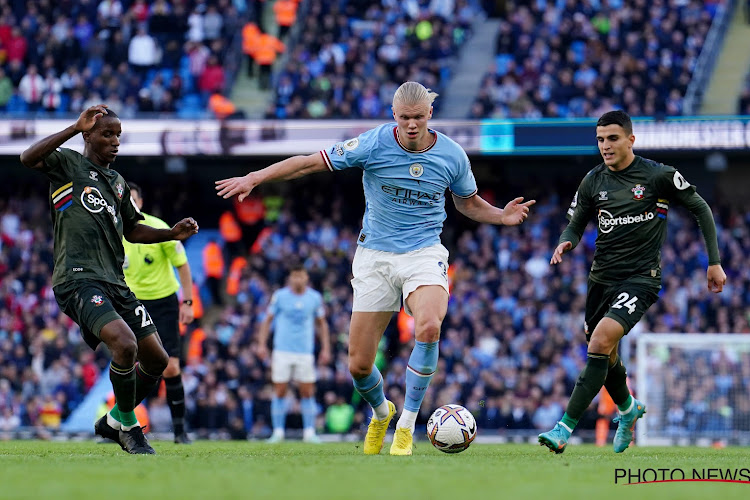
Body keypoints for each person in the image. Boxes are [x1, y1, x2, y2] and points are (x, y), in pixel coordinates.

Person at [216, 81, 535, 456]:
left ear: (429, 115)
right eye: (404, 118)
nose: (411, 125)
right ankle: (382, 412)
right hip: (375, 257)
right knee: (359, 365)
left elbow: (467, 203)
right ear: (393, 116)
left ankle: (407, 424)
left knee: (429, 326)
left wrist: (500, 216)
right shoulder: (373, 143)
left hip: (424, 253)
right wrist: (255, 177)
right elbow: (308, 163)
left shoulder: (452, 155)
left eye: (418, 117)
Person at [538, 110, 726, 454]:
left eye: (612, 138)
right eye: (599, 139)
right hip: (600, 281)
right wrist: (566, 240)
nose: (605, 146)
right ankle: (628, 410)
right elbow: (576, 221)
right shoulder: (593, 181)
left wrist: (714, 262)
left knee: (600, 342)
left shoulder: (658, 176)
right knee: (605, 353)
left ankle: (563, 428)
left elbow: (701, 208)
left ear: (630, 140)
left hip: (641, 279)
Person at [19, 104, 199, 454]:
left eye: (118, 135)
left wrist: (170, 234)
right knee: (125, 344)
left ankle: (115, 418)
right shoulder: (69, 164)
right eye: (107, 134)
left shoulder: (117, 183)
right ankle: (129, 428)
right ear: (89, 135)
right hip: (77, 278)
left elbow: (132, 229)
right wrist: (73, 127)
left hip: (116, 282)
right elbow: (28, 157)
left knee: (158, 360)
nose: (115, 142)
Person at [122, 182, 196, 444]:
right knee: (126, 364)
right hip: (132, 303)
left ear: (140, 202)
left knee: (171, 366)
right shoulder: (114, 232)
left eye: (133, 200)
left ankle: (179, 431)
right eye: (125, 201)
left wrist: (187, 302)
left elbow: (183, 265)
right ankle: (122, 427)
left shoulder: (159, 227)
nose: (129, 205)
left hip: (164, 303)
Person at [256, 264, 331, 443]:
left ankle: (309, 432)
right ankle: (278, 432)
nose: (298, 279)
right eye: (295, 276)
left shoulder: (314, 298)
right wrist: (261, 345)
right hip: (282, 350)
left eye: (301, 276)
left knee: (307, 391)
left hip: (305, 351)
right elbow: (267, 321)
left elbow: (322, 324)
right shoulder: (280, 297)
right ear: (290, 278)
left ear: (306, 277)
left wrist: (326, 348)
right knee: (280, 390)